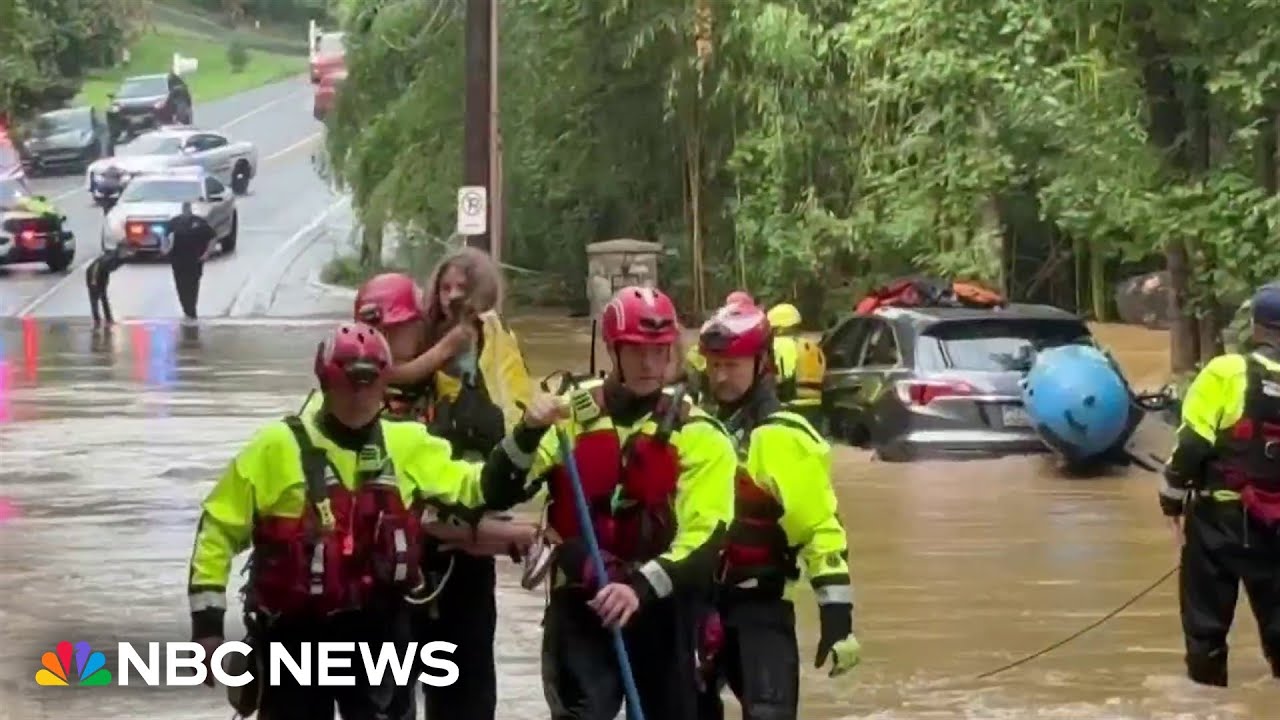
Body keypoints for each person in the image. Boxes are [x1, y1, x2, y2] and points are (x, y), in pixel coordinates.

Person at [187, 321, 546, 720]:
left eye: (369, 382)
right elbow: (217, 530)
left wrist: (528, 433)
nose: (359, 394)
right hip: (294, 638)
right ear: (326, 382)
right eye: (348, 382)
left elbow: (482, 489)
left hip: (378, 635)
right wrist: (207, 627)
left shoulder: (408, 444)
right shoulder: (275, 447)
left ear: (383, 384)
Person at [503, 285, 736, 720]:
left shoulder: (701, 435)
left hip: (662, 605)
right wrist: (528, 431)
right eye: (636, 351)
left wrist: (639, 588)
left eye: (660, 351)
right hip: (583, 601)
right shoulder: (568, 413)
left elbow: (705, 540)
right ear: (613, 349)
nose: (650, 364)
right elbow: (501, 488)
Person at [354, 259, 532, 720]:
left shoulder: (466, 376)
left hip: (458, 570)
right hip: (383, 576)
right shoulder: (350, 399)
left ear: (418, 324)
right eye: (378, 333)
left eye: (396, 332)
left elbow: (494, 468)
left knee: (465, 699)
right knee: (383, 704)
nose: (386, 345)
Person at [693, 301, 859, 719]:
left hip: (759, 608)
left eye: (732, 365)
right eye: (714, 366)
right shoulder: (694, 430)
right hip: (696, 605)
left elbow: (820, 529)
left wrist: (836, 615)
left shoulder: (783, 438)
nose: (721, 376)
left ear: (761, 362)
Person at [1162, 282, 1280, 688]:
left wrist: (1171, 497)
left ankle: (1208, 706)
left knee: (1206, 628)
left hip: (1220, 521)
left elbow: (1193, 443)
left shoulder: (1226, 372)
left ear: (1256, 327)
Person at [765, 302, 826, 427]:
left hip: (791, 405)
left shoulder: (780, 345)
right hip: (815, 404)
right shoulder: (812, 345)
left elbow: (785, 375)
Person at [168, 202, 216, 319]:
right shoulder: (174, 222)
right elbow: (165, 236)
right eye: (184, 210)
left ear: (191, 210)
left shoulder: (199, 223)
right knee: (181, 286)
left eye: (188, 210)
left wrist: (207, 253)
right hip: (178, 260)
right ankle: (187, 309)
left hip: (195, 260)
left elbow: (212, 237)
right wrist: (164, 248)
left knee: (193, 285)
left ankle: (191, 309)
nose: (186, 212)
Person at [85, 247, 127, 327]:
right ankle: (97, 319)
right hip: (93, 274)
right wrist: (93, 280)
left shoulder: (118, 259)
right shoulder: (108, 259)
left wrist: (105, 283)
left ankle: (108, 319)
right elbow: (96, 266)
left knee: (104, 297)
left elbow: (108, 269)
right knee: (94, 298)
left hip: (102, 275)